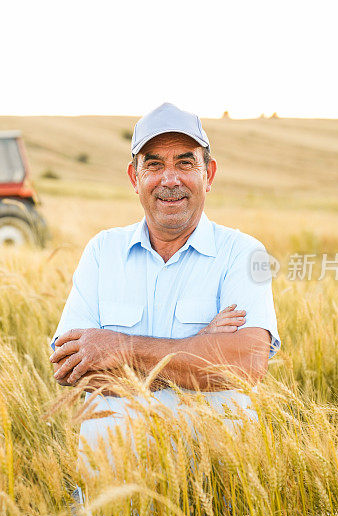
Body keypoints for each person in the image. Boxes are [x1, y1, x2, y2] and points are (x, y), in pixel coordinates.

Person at [49, 102, 281, 476]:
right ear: (134, 177)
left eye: (185, 163)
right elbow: (71, 371)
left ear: (209, 174)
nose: (169, 179)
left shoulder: (243, 253)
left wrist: (119, 347)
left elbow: (245, 362)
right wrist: (200, 346)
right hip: (112, 492)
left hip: (214, 489)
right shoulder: (102, 251)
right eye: (154, 164)